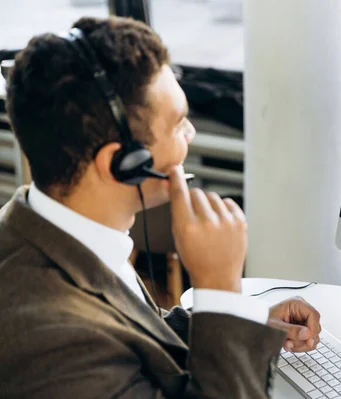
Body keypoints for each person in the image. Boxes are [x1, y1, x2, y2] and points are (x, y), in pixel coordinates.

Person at [0, 16, 321, 398]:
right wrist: (219, 285)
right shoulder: (49, 339)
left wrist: (244, 316)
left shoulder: (56, 229)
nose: (192, 134)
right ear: (123, 163)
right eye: (178, 124)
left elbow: (131, 340)